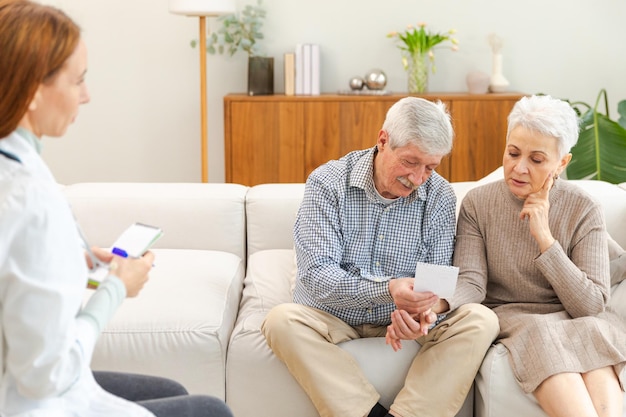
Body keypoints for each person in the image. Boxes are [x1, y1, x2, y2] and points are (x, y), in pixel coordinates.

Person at [0, 1, 233, 416]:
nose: (86, 96)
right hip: (30, 399)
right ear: (34, 90)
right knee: (210, 411)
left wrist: (81, 265)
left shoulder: (19, 167)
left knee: (174, 389)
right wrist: (114, 289)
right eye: (78, 81)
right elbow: (43, 376)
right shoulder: (29, 196)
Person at [262, 96, 500, 417]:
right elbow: (317, 277)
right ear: (383, 140)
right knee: (280, 322)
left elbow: (435, 280)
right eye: (410, 162)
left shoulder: (440, 196)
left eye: (430, 167)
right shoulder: (328, 183)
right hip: (333, 315)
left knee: (481, 320)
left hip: (399, 317)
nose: (417, 178)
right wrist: (389, 290)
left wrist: (421, 315)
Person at [442, 94, 625, 416]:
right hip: (516, 316)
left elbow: (591, 305)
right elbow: (472, 283)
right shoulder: (477, 204)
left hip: (576, 316)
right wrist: (439, 302)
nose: (519, 168)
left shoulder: (582, 208)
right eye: (513, 153)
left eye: (537, 160)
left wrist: (545, 239)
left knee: (596, 330)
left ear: (562, 163)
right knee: (542, 333)